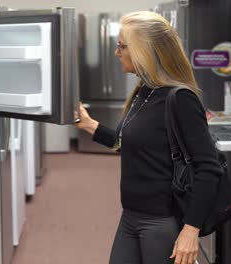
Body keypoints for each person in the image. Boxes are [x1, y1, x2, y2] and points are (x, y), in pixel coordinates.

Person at [75, 11, 222, 264]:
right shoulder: (144, 91)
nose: (116, 53)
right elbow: (130, 144)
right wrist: (88, 125)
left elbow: (209, 168)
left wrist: (190, 230)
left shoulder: (180, 99)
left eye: (122, 47)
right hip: (131, 216)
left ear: (146, 51)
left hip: (162, 223)